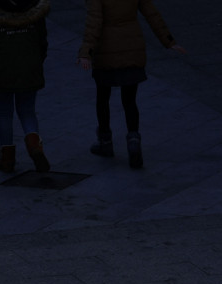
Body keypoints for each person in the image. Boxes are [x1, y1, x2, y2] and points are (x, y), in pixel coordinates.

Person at [77, 0, 184, 169]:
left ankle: (105, 141)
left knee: (103, 98)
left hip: (106, 51)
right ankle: (133, 141)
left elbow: (94, 22)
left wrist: (86, 52)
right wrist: (168, 40)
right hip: (132, 49)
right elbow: (152, 14)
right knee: (129, 101)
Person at [0, 0, 50, 174]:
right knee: (28, 110)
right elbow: (42, 40)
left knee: (4, 112)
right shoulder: (35, 8)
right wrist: (36, 60)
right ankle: (34, 145)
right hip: (29, 65)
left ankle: (7, 158)